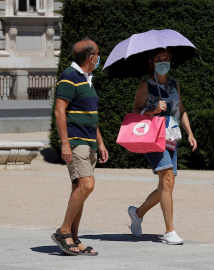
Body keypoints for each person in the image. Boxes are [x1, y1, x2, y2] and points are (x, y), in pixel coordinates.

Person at [128, 48, 197, 245]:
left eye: (166, 58)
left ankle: (138, 213)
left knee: (168, 184)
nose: (163, 61)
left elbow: (181, 109)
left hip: (172, 135)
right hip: (153, 135)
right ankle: (169, 231)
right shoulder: (146, 84)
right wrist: (153, 110)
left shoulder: (174, 83)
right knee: (167, 180)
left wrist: (190, 133)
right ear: (152, 61)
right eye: (159, 59)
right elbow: (135, 111)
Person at [51, 38, 108, 256]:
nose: (99, 58)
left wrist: (101, 143)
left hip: (89, 142)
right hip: (76, 142)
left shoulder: (88, 79)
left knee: (79, 189)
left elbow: (91, 116)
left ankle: (73, 238)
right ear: (89, 57)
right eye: (98, 54)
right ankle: (63, 231)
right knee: (87, 185)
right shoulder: (69, 76)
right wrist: (65, 143)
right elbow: (59, 111)